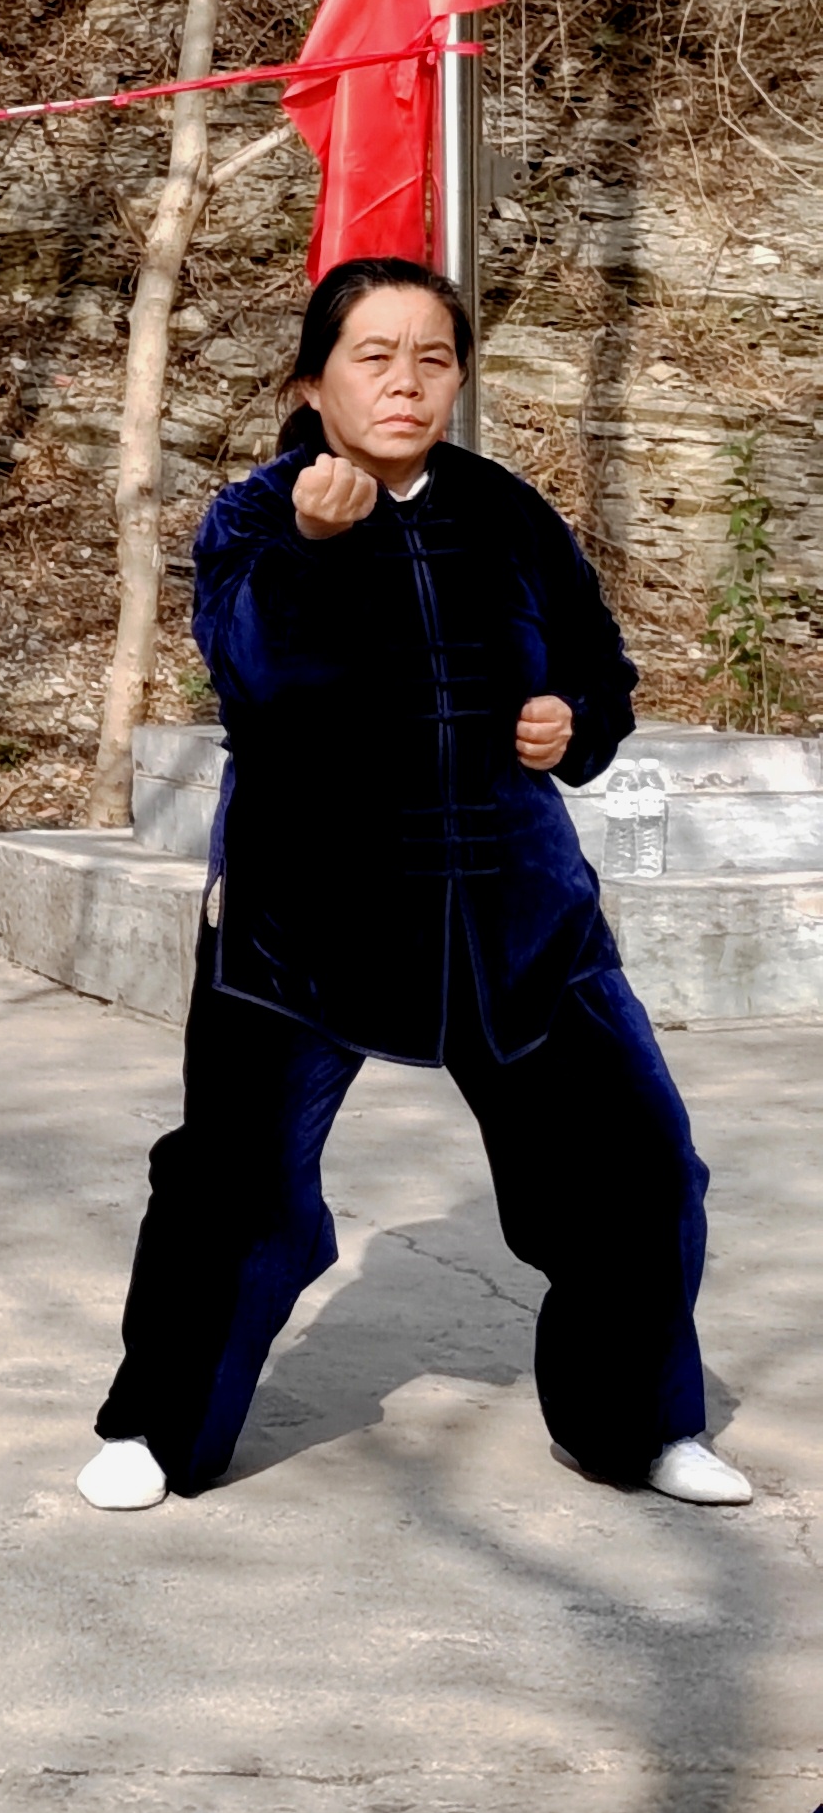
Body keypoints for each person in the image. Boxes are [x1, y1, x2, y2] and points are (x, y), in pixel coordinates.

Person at [79, 256, 742, 1514]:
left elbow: (602, 675)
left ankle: (639, 1425)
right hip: (306, 923)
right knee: (234, 1186)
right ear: (313, 382)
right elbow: (257, 677)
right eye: (373, 356)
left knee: (641, 1170)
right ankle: (158, 1431)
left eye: (431, 357)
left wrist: (571, 722)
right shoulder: (258, 516)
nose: (405, 382)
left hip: (521, 919)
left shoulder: (510, 515)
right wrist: (323, 549)